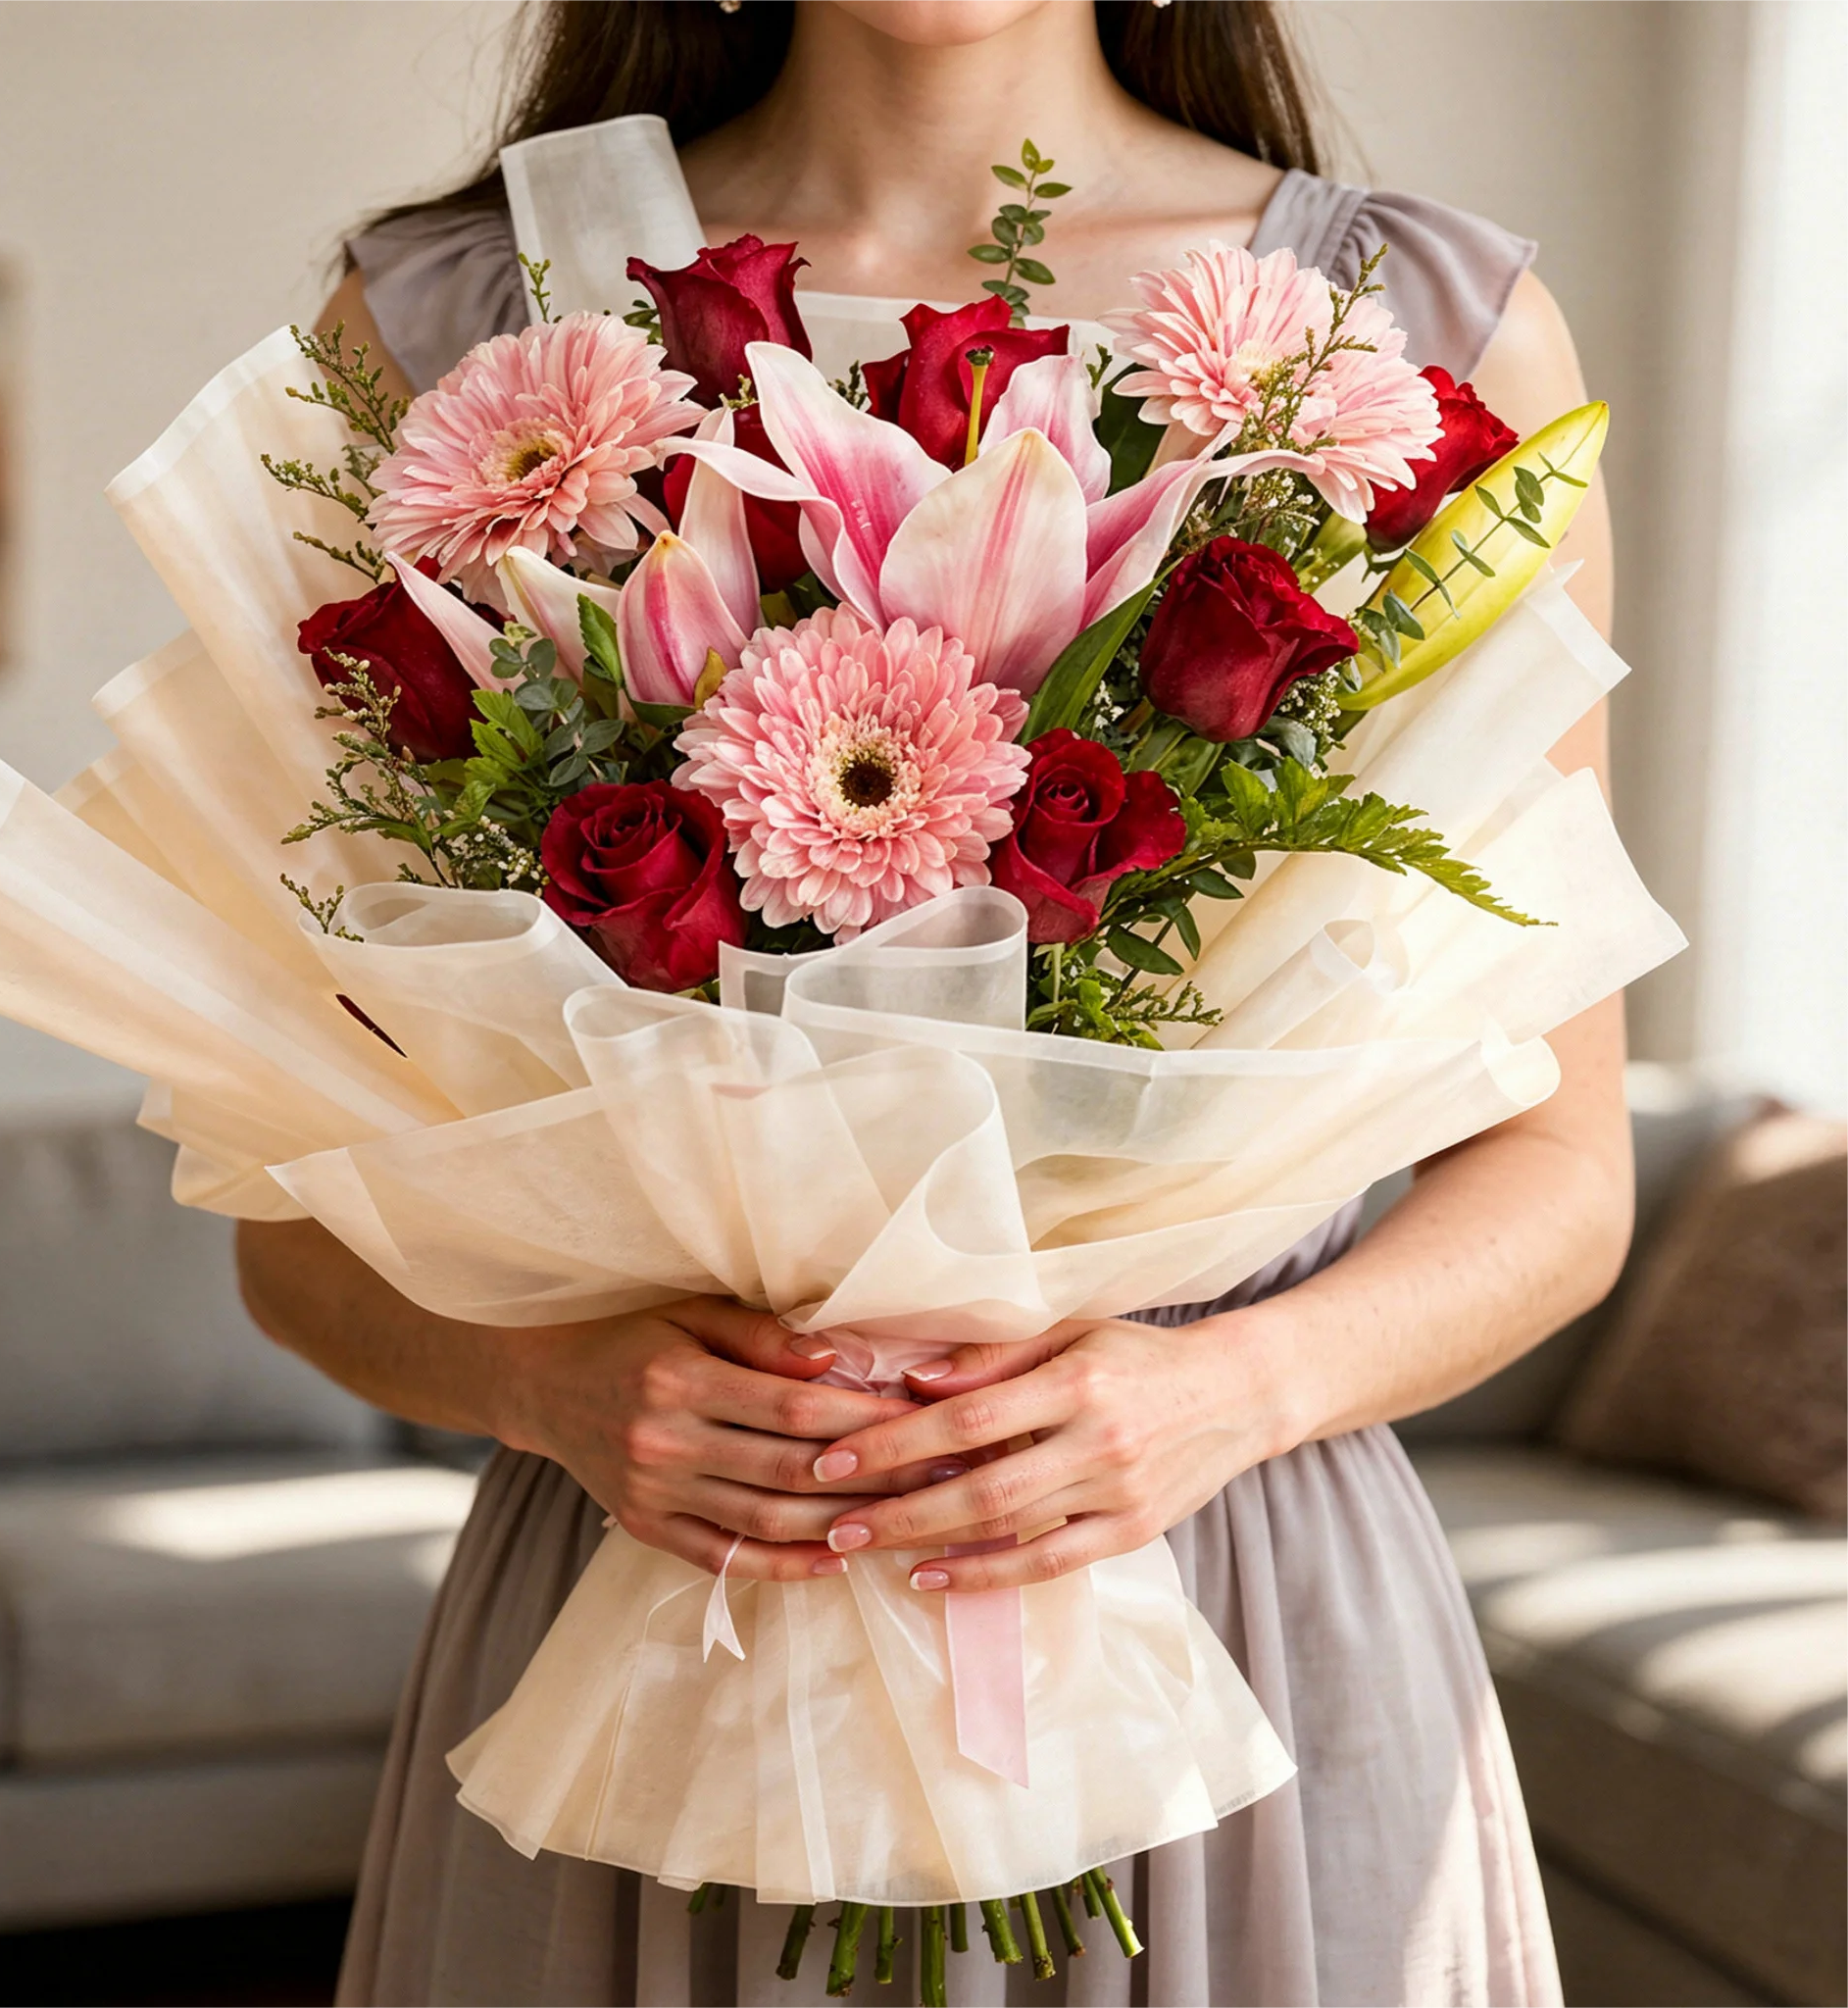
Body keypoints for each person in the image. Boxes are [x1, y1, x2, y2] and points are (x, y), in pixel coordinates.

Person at [238, 3, 1625, 2001]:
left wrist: (1225, 1390)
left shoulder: (1431, 333)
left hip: (1223, 1574)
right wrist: (551, 1384)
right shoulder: (446, 328)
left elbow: (1563, 1170)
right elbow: (287, 1214)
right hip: (661, 1589)